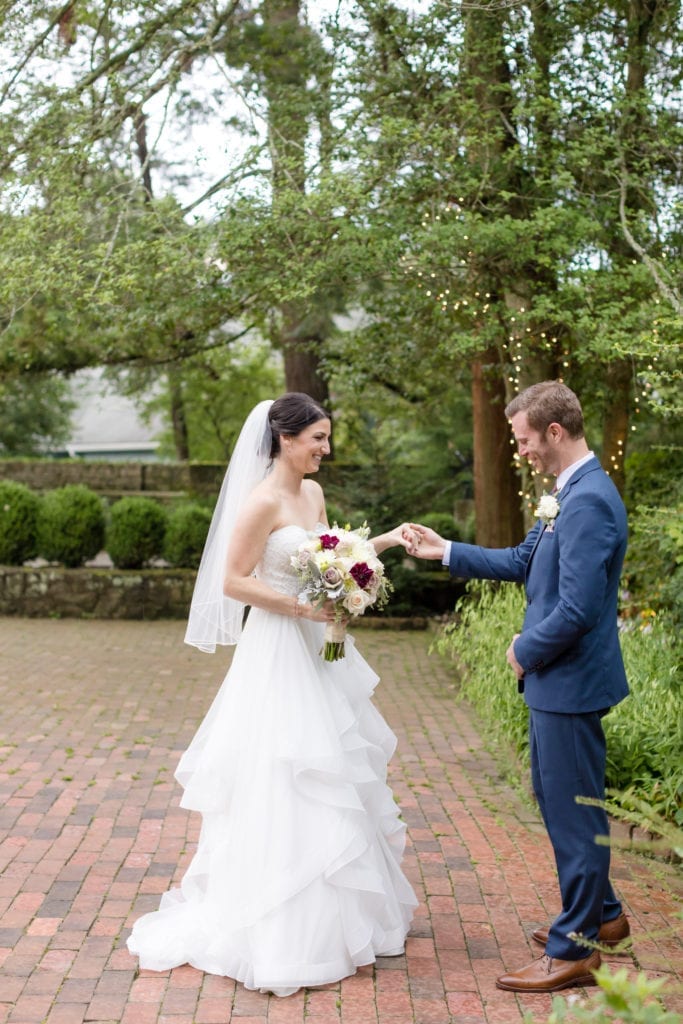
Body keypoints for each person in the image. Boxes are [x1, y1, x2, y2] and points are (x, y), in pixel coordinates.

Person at [126, 393, 417, 997]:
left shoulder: (311, 496)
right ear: (284, 439)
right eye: (318, 439)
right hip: (278, 648)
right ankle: (279, 927)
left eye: (327, 438)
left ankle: (342, 918)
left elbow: (332, 554)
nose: (325, 450)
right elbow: (233, 580)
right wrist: (299, 606)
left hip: (320, 647)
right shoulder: (259, 501)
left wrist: (380, 547)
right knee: (287, 770)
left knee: (335, 764)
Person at [407, 380, 630, 993]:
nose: (522, 451)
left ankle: (575, 949)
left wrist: (523, 649)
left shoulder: (586, 502)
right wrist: (444, 549)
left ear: (555, 433)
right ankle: (605, 916)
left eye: (526, 439)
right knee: (559, 801)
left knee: (574, 815)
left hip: (569, 680)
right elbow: (521, 562)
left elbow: (581, 608)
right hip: (558, 682)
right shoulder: (566, 493)